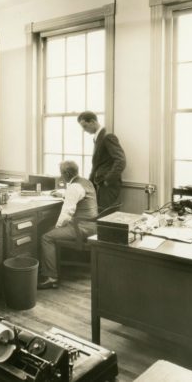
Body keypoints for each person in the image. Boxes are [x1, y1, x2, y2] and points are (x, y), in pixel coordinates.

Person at [38, 161, 98, 289]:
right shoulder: (86, 182)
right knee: (49, 230)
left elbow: (67, 212)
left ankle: (51, 277)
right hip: (93, 226)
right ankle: (48, 268)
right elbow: (78, 195)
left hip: (81, 228)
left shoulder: (74, 187)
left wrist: (57, 227)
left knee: (46, 237)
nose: (60, 176)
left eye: (61, 173)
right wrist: (63, 194)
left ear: (66, 174)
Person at [77, 111, 126, 211]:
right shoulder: (98, 138)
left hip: (107, 186)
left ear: (93, 122)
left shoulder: (107, 137)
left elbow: (121, 160)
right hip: (100, 185)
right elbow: (97, 165)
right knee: (101, 215)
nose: (84, 130)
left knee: (106, 217)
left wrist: (108, 180)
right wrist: (89, 184)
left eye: (85, 126)